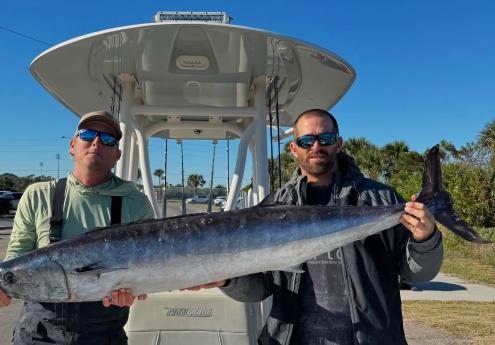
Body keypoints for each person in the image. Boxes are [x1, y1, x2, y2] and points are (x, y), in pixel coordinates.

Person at [188, 109, 442, 345]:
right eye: (307, 141)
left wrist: (426, 239)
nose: (317, 146)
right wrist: (228, 278)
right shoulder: (274, 206)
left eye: (326, 138)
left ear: (339, 143)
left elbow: (417, 274)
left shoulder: (383, 200)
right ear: (294, 148)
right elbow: (261, 287)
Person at [0, 110, 155, 344]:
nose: (97, 142)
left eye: (108, 139)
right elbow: (16, 261)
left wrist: (131, 293)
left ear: (117, 154)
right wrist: (0, 293)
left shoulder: (135, 202)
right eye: (88, 135)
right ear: (72, 145)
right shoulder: (38, 195)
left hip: (104, 335)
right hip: (37, 334)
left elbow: (146, 272)